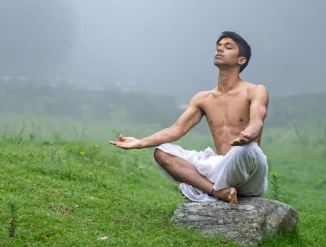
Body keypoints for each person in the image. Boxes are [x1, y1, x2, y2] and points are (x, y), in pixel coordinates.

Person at [109, 31, 269, 205]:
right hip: (220, 165)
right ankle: (216, 191)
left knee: (246, 148)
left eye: (228, 47)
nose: (220, 50)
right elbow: (177, 129)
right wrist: (140, 142)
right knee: (162, 152)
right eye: (218, 47)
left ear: (241, 60)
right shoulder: (204, 98)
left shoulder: (255, 90)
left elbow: (257, 121)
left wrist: (248, 135)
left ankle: (200, 187)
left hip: (248, 172)